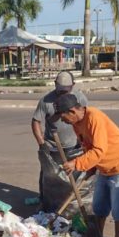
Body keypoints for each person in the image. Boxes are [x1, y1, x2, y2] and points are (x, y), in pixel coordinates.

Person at [54, 93, 119, 237]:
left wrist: (76, 163)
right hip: (104, 166)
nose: (63, 121)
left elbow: (99, 150)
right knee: (99, 205)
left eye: (63, 117)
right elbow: (87, 146)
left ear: (72, 111)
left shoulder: (94, 117)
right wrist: (91, 168)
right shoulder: (76, 123)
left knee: (118, 205)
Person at [30, 71, 88, 208]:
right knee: (50, 177)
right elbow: (36, 121)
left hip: (74, 145)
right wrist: (41, 143)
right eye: (60, 90)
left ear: (73, 85)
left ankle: (70, 205)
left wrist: (84, 140)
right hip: (53, 146)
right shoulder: (46, 100)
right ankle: (45, 202)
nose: (63, 93)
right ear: (55, 84)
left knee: (73, 178)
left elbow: (85, 118)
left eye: (66, 91)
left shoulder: (80, 98)